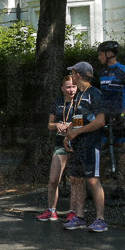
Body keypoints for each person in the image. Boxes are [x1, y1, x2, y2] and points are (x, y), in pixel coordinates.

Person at [61, 61, 108, 233]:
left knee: (92, 180)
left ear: (79, 75)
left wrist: (77, 133)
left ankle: (101, 219)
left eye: (72, 73)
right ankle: (79, 217)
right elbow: (77, 119)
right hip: (77, 145)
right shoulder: (79, 95)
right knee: (76, 179)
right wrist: (69, 135)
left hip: (91, 143)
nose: (71, 77)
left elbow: (100, 121)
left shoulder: (94, 94)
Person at [97, 40, 125, 199]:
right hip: (105, 117)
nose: (99, 58)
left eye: (100, 54)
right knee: (101, 149)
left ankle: (121, 186)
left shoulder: (124, 71)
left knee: (121, 151)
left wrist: (124, 114)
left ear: (109, 54)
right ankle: (96, 185)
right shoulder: (102, 73)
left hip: (120, 117)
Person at [37, 74, 79, 222]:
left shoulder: (81, 102)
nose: (71, 89)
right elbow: (49, 125)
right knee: (54, 179)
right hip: (60, 144)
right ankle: (51, 210)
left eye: (74, 86)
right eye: (68, 86)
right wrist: (57, 125)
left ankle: (73, 211)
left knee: (75, 180)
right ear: (63, 88)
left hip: (77, 145)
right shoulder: (57, 103)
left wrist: (73, 127)